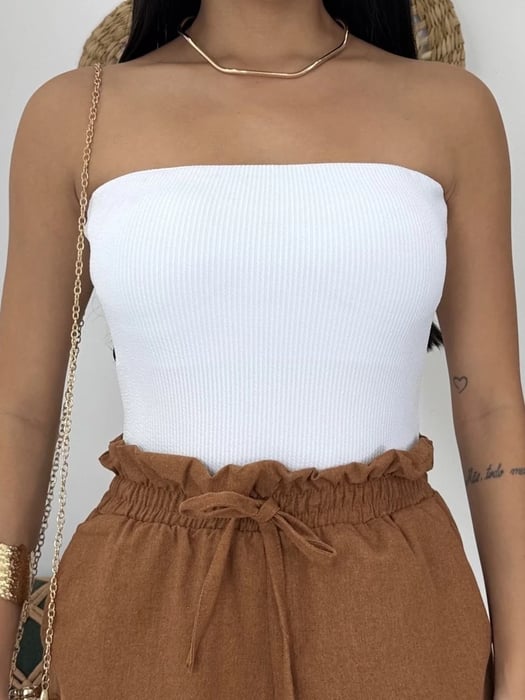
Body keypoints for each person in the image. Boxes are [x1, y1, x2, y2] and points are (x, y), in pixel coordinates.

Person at [1, 1, 524, 698]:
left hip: (396, 610)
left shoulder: (452, 111)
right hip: (146, 614)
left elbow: (491, 405)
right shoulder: (74, 115)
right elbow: (20, 411)